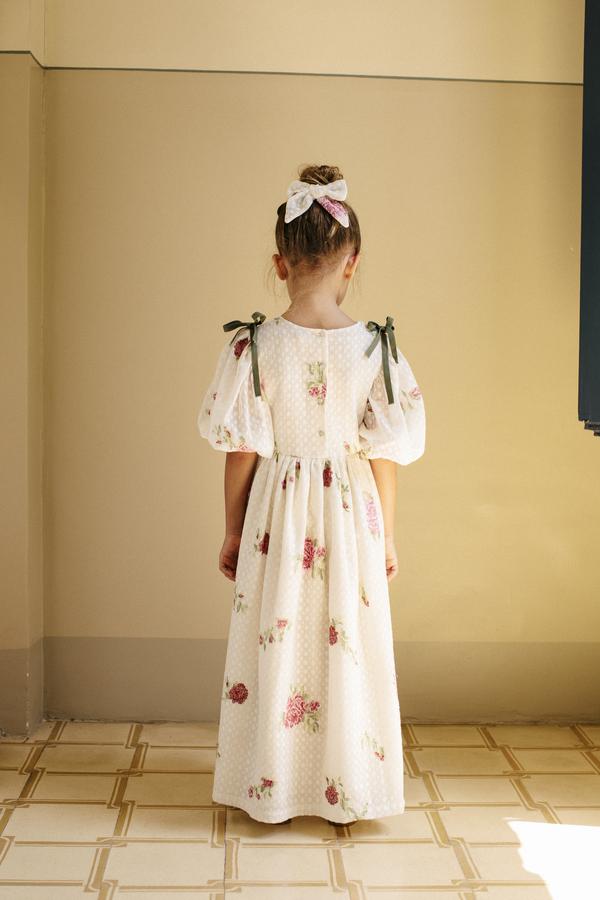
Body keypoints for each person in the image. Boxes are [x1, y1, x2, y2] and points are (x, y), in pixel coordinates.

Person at [197, 164, 426, 826]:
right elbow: (384, 454)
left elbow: (242, 451)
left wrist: (233, 529)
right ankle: (345, 786)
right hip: (351, 516)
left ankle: (272, 782)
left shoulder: (255, 346)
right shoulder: (375, 348)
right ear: (352, 262)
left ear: (280, 263)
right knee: (346, 639)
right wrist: (386, 535)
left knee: (280, 637)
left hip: (278, 514)